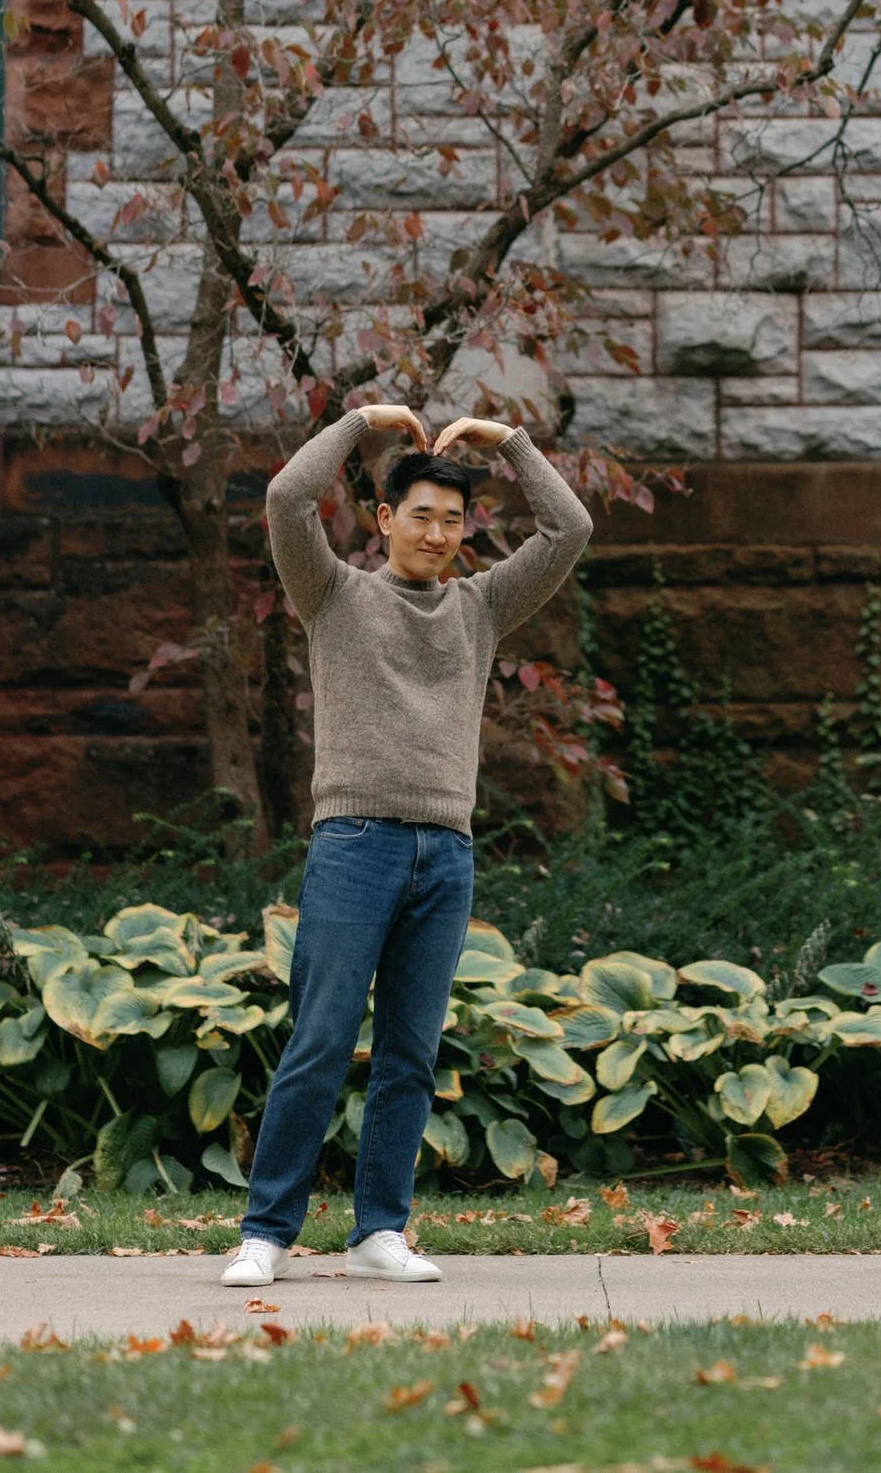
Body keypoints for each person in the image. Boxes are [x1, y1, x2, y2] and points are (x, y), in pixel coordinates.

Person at [219, 402, 592, 1288]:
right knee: (319, 1039)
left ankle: (379, 1229)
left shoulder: (481, 606)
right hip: (355, 845)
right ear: (383, 519)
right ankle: (266, 1232)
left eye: (453, 520)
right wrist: (358, 422)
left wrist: (506, 443)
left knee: (410, 1053)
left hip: (445, 854)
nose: (436, 532)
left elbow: (568, 526)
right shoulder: (333, 593)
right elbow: (284, 499)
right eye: (419, 515)